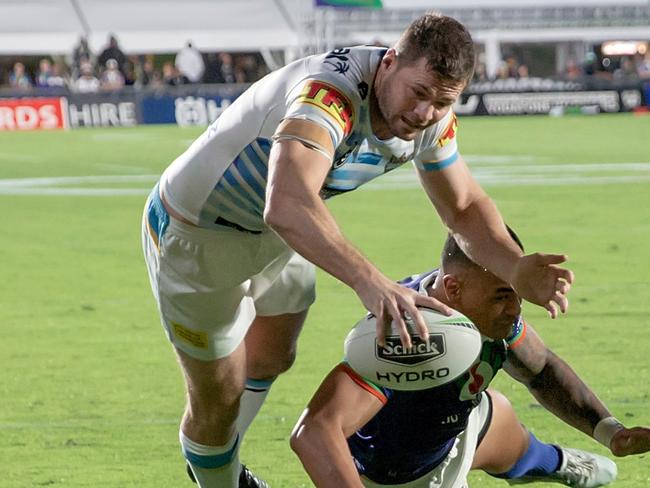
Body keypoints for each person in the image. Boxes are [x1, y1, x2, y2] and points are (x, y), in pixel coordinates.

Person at [141, 13, 574, 487]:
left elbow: (465, 205)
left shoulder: (432, 118)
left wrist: (514, 266)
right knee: (216, 402)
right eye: (420, 92)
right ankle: (218, 475)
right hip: (198, 235)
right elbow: (285, 202)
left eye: (443, 101)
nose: (425, 112)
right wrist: (372, 282)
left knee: (273, 355)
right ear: (389, 63)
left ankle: (217, 454)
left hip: (280, 231)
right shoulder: (326, 96)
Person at [291, 231, 650, 487]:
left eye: (517, 295)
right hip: (389, 473)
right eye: (502, 296)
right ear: (452, 289)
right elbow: (314, 432)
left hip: (458, 424)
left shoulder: (482, 308)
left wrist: (610, 431)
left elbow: (541, 370)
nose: (514, 309)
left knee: (506, 428)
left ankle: (559, 463)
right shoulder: (410, 335)